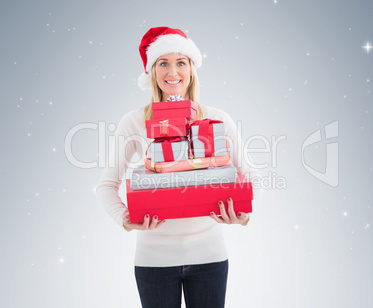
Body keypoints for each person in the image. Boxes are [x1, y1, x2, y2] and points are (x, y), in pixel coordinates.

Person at [96, 26, 262, 308]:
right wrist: (125, 219)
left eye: (180, 62)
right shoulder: (134, 122)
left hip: (210, 257)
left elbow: (252, 175)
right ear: (152, 72)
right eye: (163, 63)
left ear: (192, 69)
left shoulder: (217, 119)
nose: (173, 72)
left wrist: (243, 216)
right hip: (154, 260)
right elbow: (106, 185)